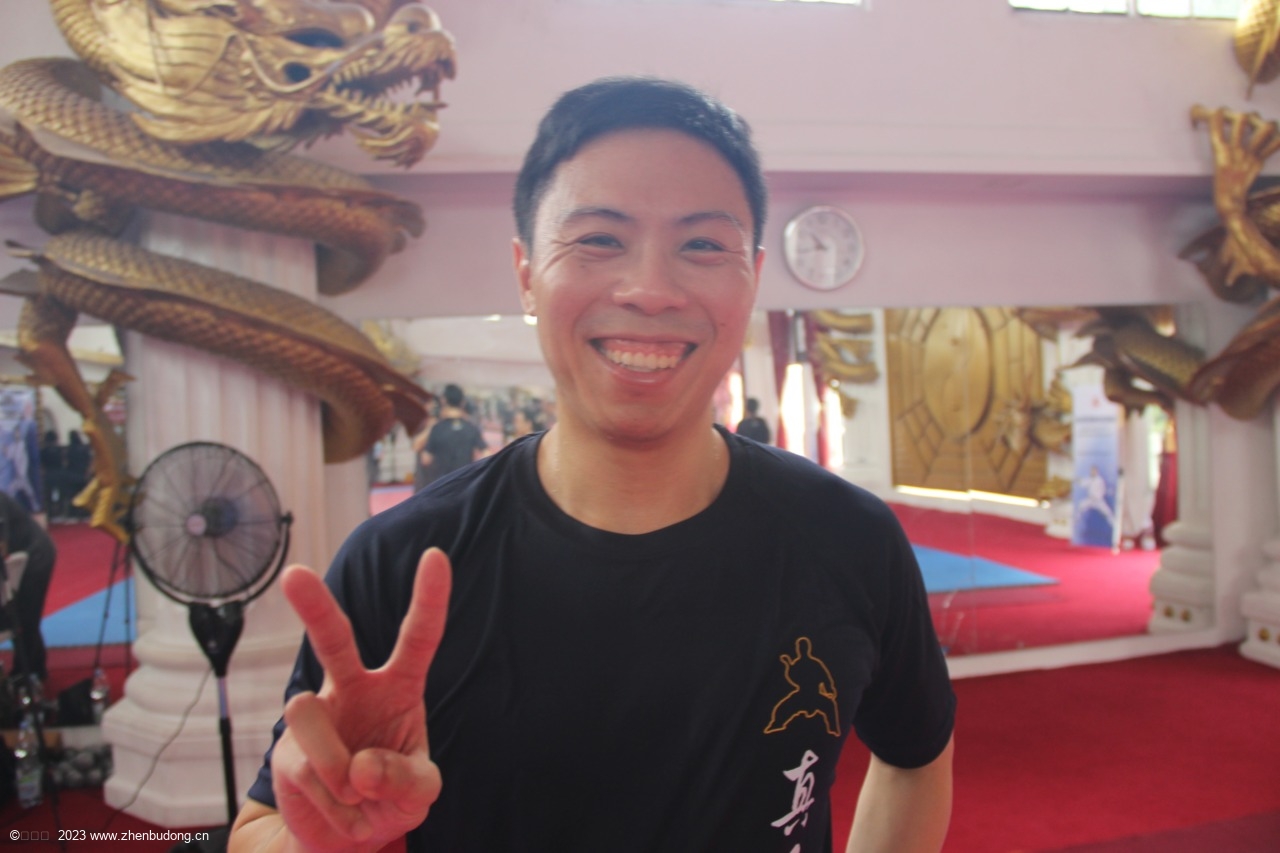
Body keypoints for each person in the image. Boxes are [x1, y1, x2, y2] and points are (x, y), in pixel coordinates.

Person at [230, 77, 955, 853]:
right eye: (600, 239)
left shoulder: (848, 536)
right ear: (526, 274)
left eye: (702, 245)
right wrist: (321, 838)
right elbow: (259, 830)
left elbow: (915, 756)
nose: (650, 290)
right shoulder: (407, 565)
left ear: (750, 276)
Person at [0, 490, 56, 683]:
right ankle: (32, 669)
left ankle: (28, 673)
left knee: (26, 616)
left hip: (35, 555)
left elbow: (2, 547)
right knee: (21, 615)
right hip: (21, 555)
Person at [410, 384, 487, 492]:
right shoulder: (471, 428)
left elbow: (425, 458)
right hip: (464, 485)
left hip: (442, 485)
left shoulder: (437, 428)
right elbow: (486, 453)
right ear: (462, 402)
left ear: (443, 401)